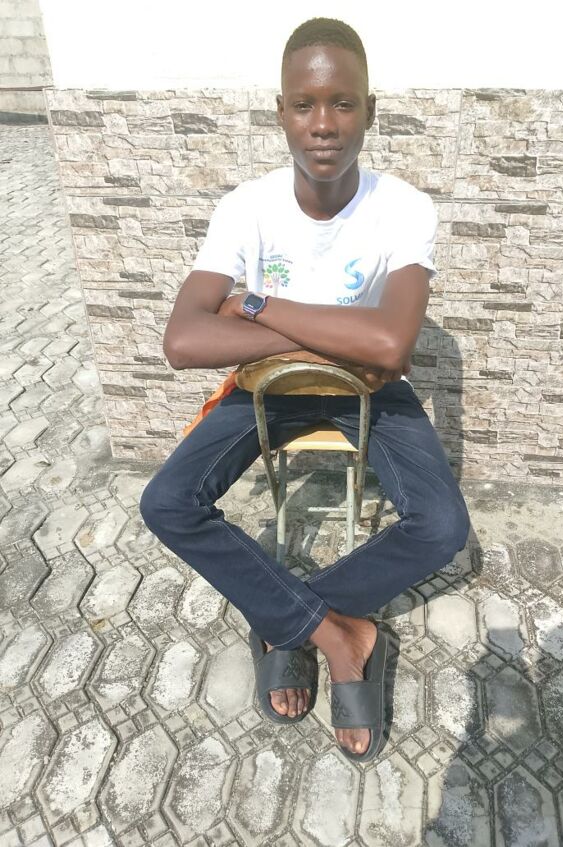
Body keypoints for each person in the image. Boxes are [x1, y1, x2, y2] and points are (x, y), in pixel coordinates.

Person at [140, 17, 470, 762]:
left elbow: (390, 347)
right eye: (305, 104)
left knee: (443, 526)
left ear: (369, 112)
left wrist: (258, 306)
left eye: (343, 103)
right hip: (270, 387)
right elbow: (184, 340)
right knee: (166, 501)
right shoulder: (247, 207)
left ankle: (282, 617)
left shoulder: (404, 207)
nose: (324, 123)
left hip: (368, 388)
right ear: (281, 113)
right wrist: (334, 336)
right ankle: (338, 633)